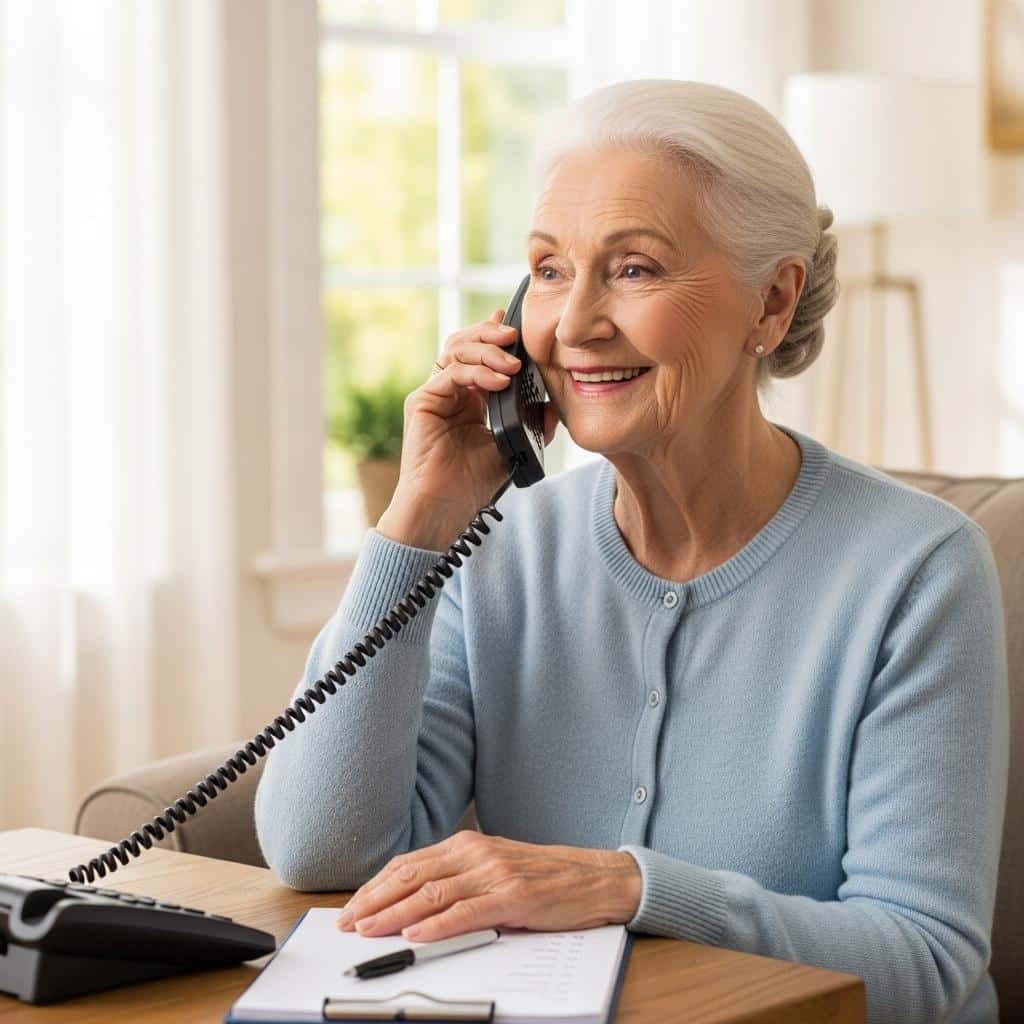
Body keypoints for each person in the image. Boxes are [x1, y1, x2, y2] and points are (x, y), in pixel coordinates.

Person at [254, 79, 1008, 1023]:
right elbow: (322, 854)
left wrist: (629, 888)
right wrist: (417, 523)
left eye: (635, 269)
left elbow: (926, 962)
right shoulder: (500, 552)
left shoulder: (920, 570)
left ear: (772, 302)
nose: (573, 325)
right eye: (549, 269)